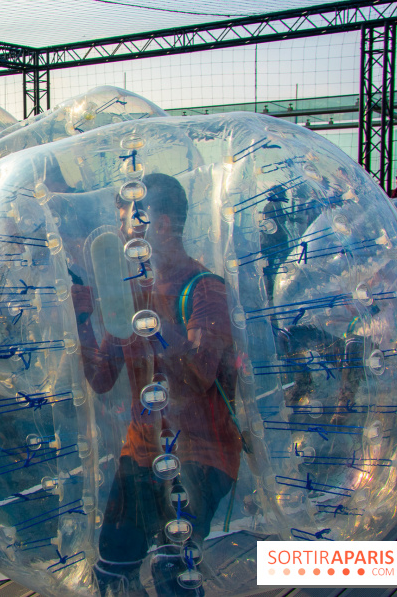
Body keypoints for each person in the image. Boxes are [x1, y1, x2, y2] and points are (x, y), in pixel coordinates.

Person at [72, 174, 242, 596]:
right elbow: (101, 378)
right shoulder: (128, 296)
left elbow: (196, 378)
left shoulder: (204, 291)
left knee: (173, 572)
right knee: (113, 571)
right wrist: (83, 323)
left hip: (202, 453)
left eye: (126, 220)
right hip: (142, 449)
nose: (120, 231)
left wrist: (149, 319)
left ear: (160, 225)